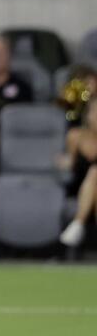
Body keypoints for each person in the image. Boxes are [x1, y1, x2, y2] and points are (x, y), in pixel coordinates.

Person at [59, 100, 97, 248]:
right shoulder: (75, 135)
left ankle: (78, 223)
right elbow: (70, 162)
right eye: (95, 112)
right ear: (88, 115)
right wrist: (65, 162)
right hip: (78, 186)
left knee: (95, 172)